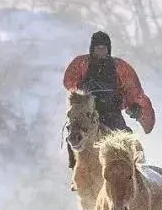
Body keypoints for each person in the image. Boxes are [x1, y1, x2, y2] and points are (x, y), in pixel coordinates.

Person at [63, 31, 155, 169]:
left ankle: (137, 168)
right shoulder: (82, 63)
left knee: (126, 137)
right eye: (97, 48)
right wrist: (80, 90)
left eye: (103, 48)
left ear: (108, 49)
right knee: (75, 135)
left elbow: (133, 89)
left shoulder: (119, 66)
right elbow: (69, 82)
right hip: (90, 113)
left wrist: (136, 107)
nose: (100, 51)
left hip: (112, 112)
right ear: (92, 49)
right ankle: (76, 168)